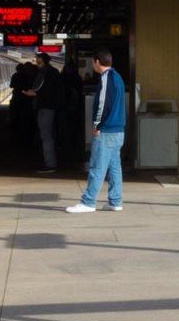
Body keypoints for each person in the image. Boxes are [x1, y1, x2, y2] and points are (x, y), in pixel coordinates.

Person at [70, 49, 127, 214]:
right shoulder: (117, 77)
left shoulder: (106, 78)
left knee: (96, 166)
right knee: (114, 167)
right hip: (117, 131)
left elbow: (103, 104)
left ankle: (88, 202)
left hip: (106, 131)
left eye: (93, 62)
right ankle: (115, 201)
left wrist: (97, 125)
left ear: (96, 62)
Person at [32, 51, 68, 173]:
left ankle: (50, 164)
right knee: (48, 135)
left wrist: (35, 93)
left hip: (46, 107)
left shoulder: (47, 72)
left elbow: (46, 91)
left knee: (46, 136)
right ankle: (50, 162)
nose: (36, 61)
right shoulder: (51, 71)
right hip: (50, 107)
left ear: (42, 60)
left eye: (37, 59)